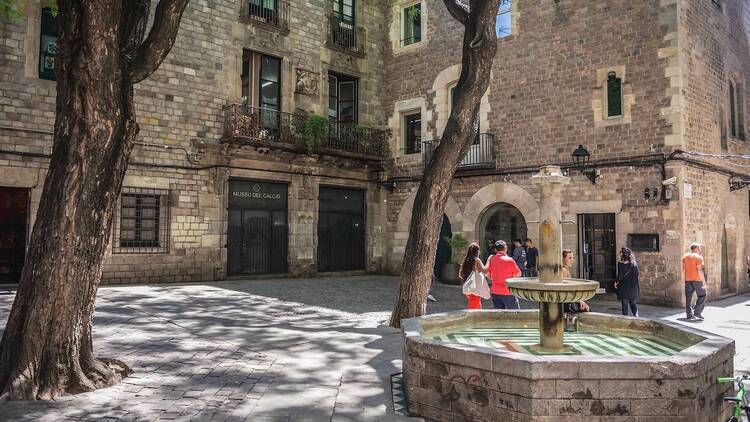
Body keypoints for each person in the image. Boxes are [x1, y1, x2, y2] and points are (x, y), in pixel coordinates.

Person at [486, 240, 521, 309]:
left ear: (495, 249)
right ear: (506, 248)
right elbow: (518, 274)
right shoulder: (510, 260)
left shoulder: (492, 259)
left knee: (498, 315)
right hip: (507, 291)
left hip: (495, 291)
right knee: (516, 314)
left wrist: (495, 278)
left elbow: (487, 274)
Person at [682, 242, 707, 320]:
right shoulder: (698, 257)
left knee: (688, 298)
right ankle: (697, 312)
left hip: (687, 280)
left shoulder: (685, 256)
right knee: (702, 295)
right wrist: (704, 282)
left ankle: (689, 315)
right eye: (699, 248)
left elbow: (683, 269)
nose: (700, 250)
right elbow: (700, 270)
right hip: (697, 280)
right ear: (696, 249)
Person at [459, 243, 486, 310]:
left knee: (477, 305)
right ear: (477, 251)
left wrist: (468, 279)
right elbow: (485, 271)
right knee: (473, 309)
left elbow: (460, 274)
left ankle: (478, 319)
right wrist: (489, 260)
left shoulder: (465, 260)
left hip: (467, 287)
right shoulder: (476, 260)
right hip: (475, 288)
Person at [615, 247, 640, 316]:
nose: (619, 253)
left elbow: (620, 276)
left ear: (623, 254)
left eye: (620, 252)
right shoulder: (634, 263)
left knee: (625, 305)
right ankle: (637, 318)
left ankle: (625, 319)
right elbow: (637, 274)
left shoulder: (621, 264)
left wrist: (616, 282)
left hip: (624, 287)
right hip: (633, 287)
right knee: (633, 304)